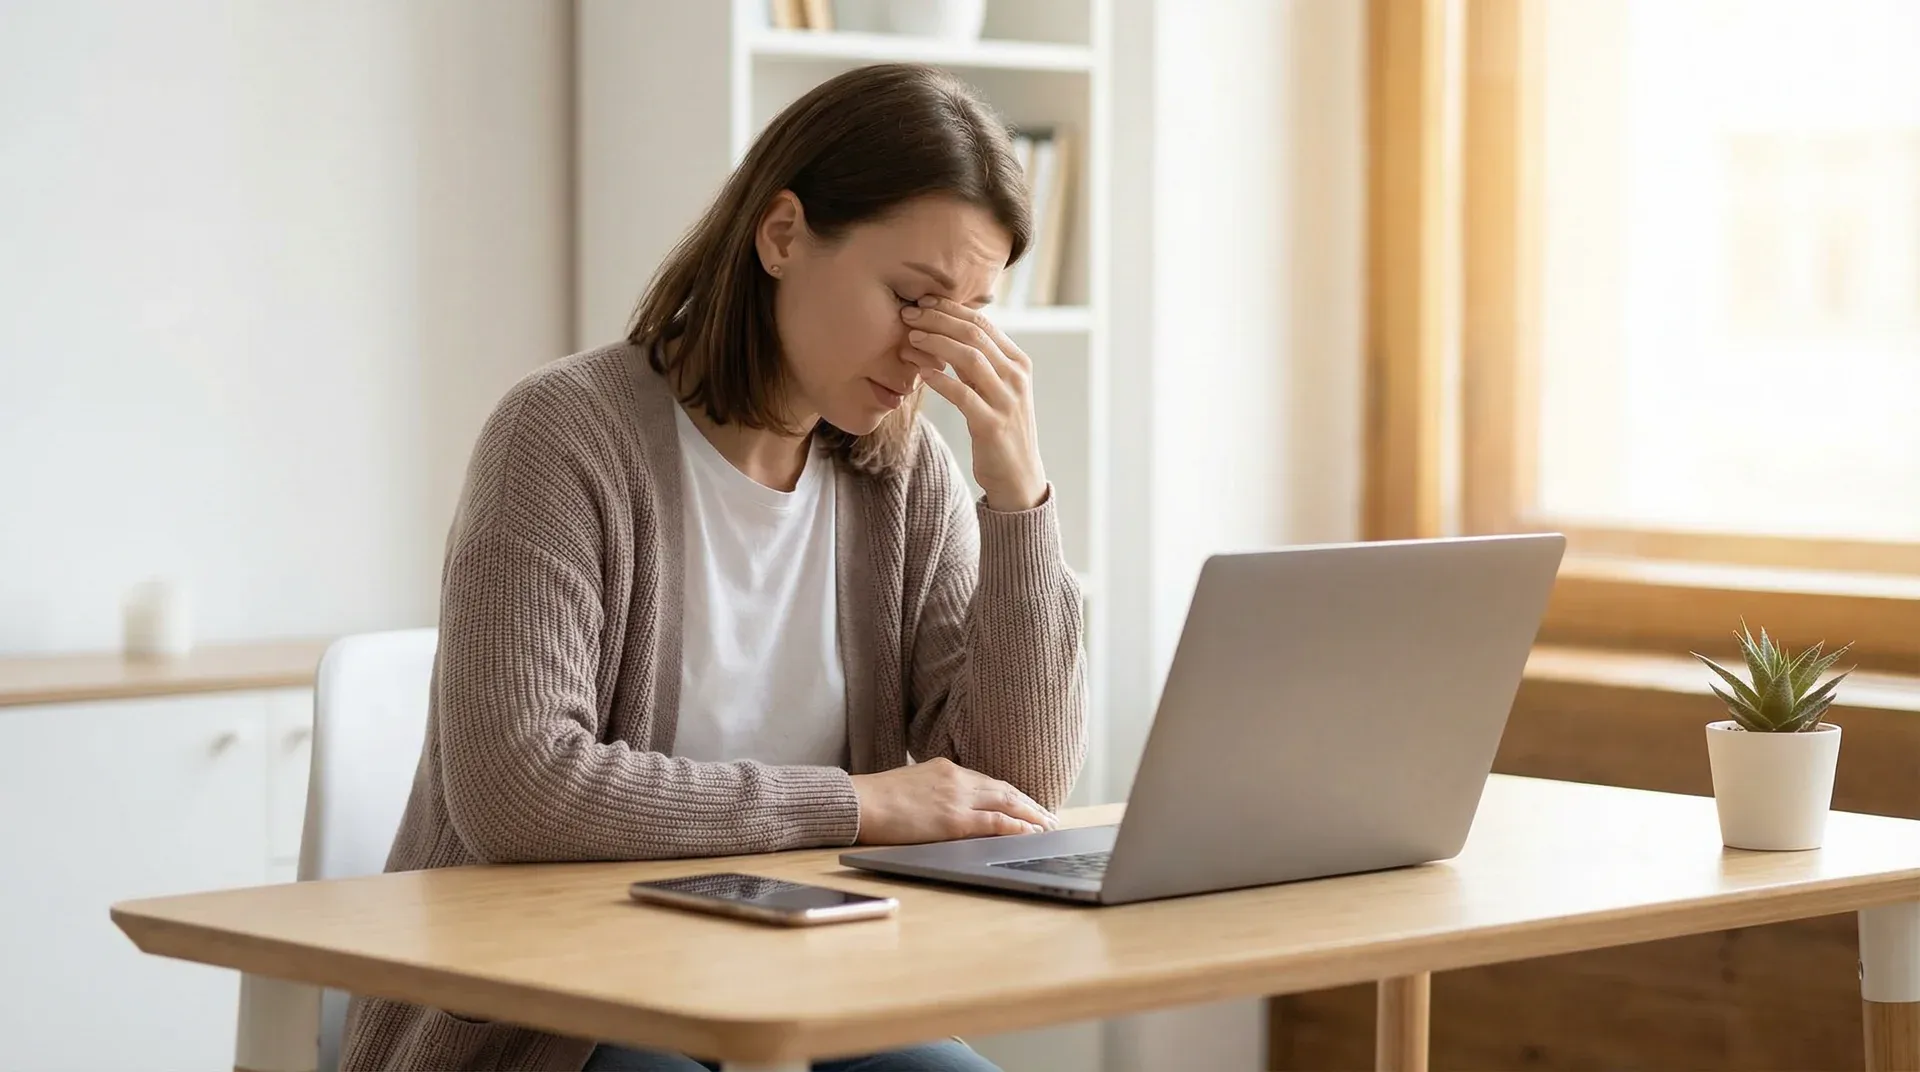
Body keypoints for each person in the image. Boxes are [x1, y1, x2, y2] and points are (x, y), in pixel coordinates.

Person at [339, 61, 1087, 1072]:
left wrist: (1020, 500)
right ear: (782, 235)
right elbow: (519, 789)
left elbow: (1014, 789)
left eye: (970, 314)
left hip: (810, 999)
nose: (932, 352)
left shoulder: (908, 478)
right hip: (552, 1018)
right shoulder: (561, 436)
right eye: (913, 298)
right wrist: (860, 804)